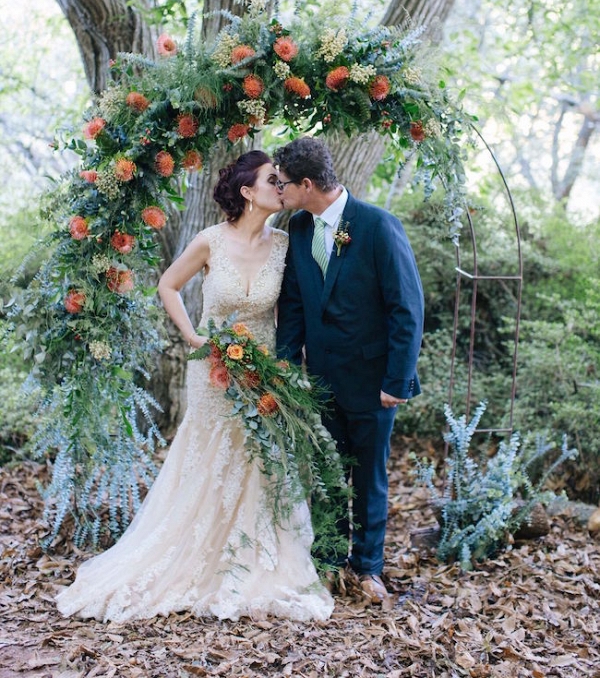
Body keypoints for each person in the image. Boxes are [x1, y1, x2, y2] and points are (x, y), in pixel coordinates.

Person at [56, 150, 334, 623]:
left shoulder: (288, 244)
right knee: (210, 454)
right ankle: (193, 552)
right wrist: (192, 334)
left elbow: (292, 310)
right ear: (247, 192)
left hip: (263, 367)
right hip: (212, 369)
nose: (281, 186)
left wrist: (291, 364)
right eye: (272, 180)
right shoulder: (211, 241)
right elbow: (167, 285)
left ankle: (250, 556)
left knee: (259, 460)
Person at [274, 137, 424, 605]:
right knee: (329, 472)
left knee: (369, 477)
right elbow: (294, 303)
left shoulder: (378, 226)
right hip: (320, 379)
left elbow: (407, 308)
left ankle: (369, 568)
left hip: (373, 381)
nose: (277, 190)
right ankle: (332, 560)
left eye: (283, 183)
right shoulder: (299, 228)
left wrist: (397, 381)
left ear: (306, 183)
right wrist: (285, 366)